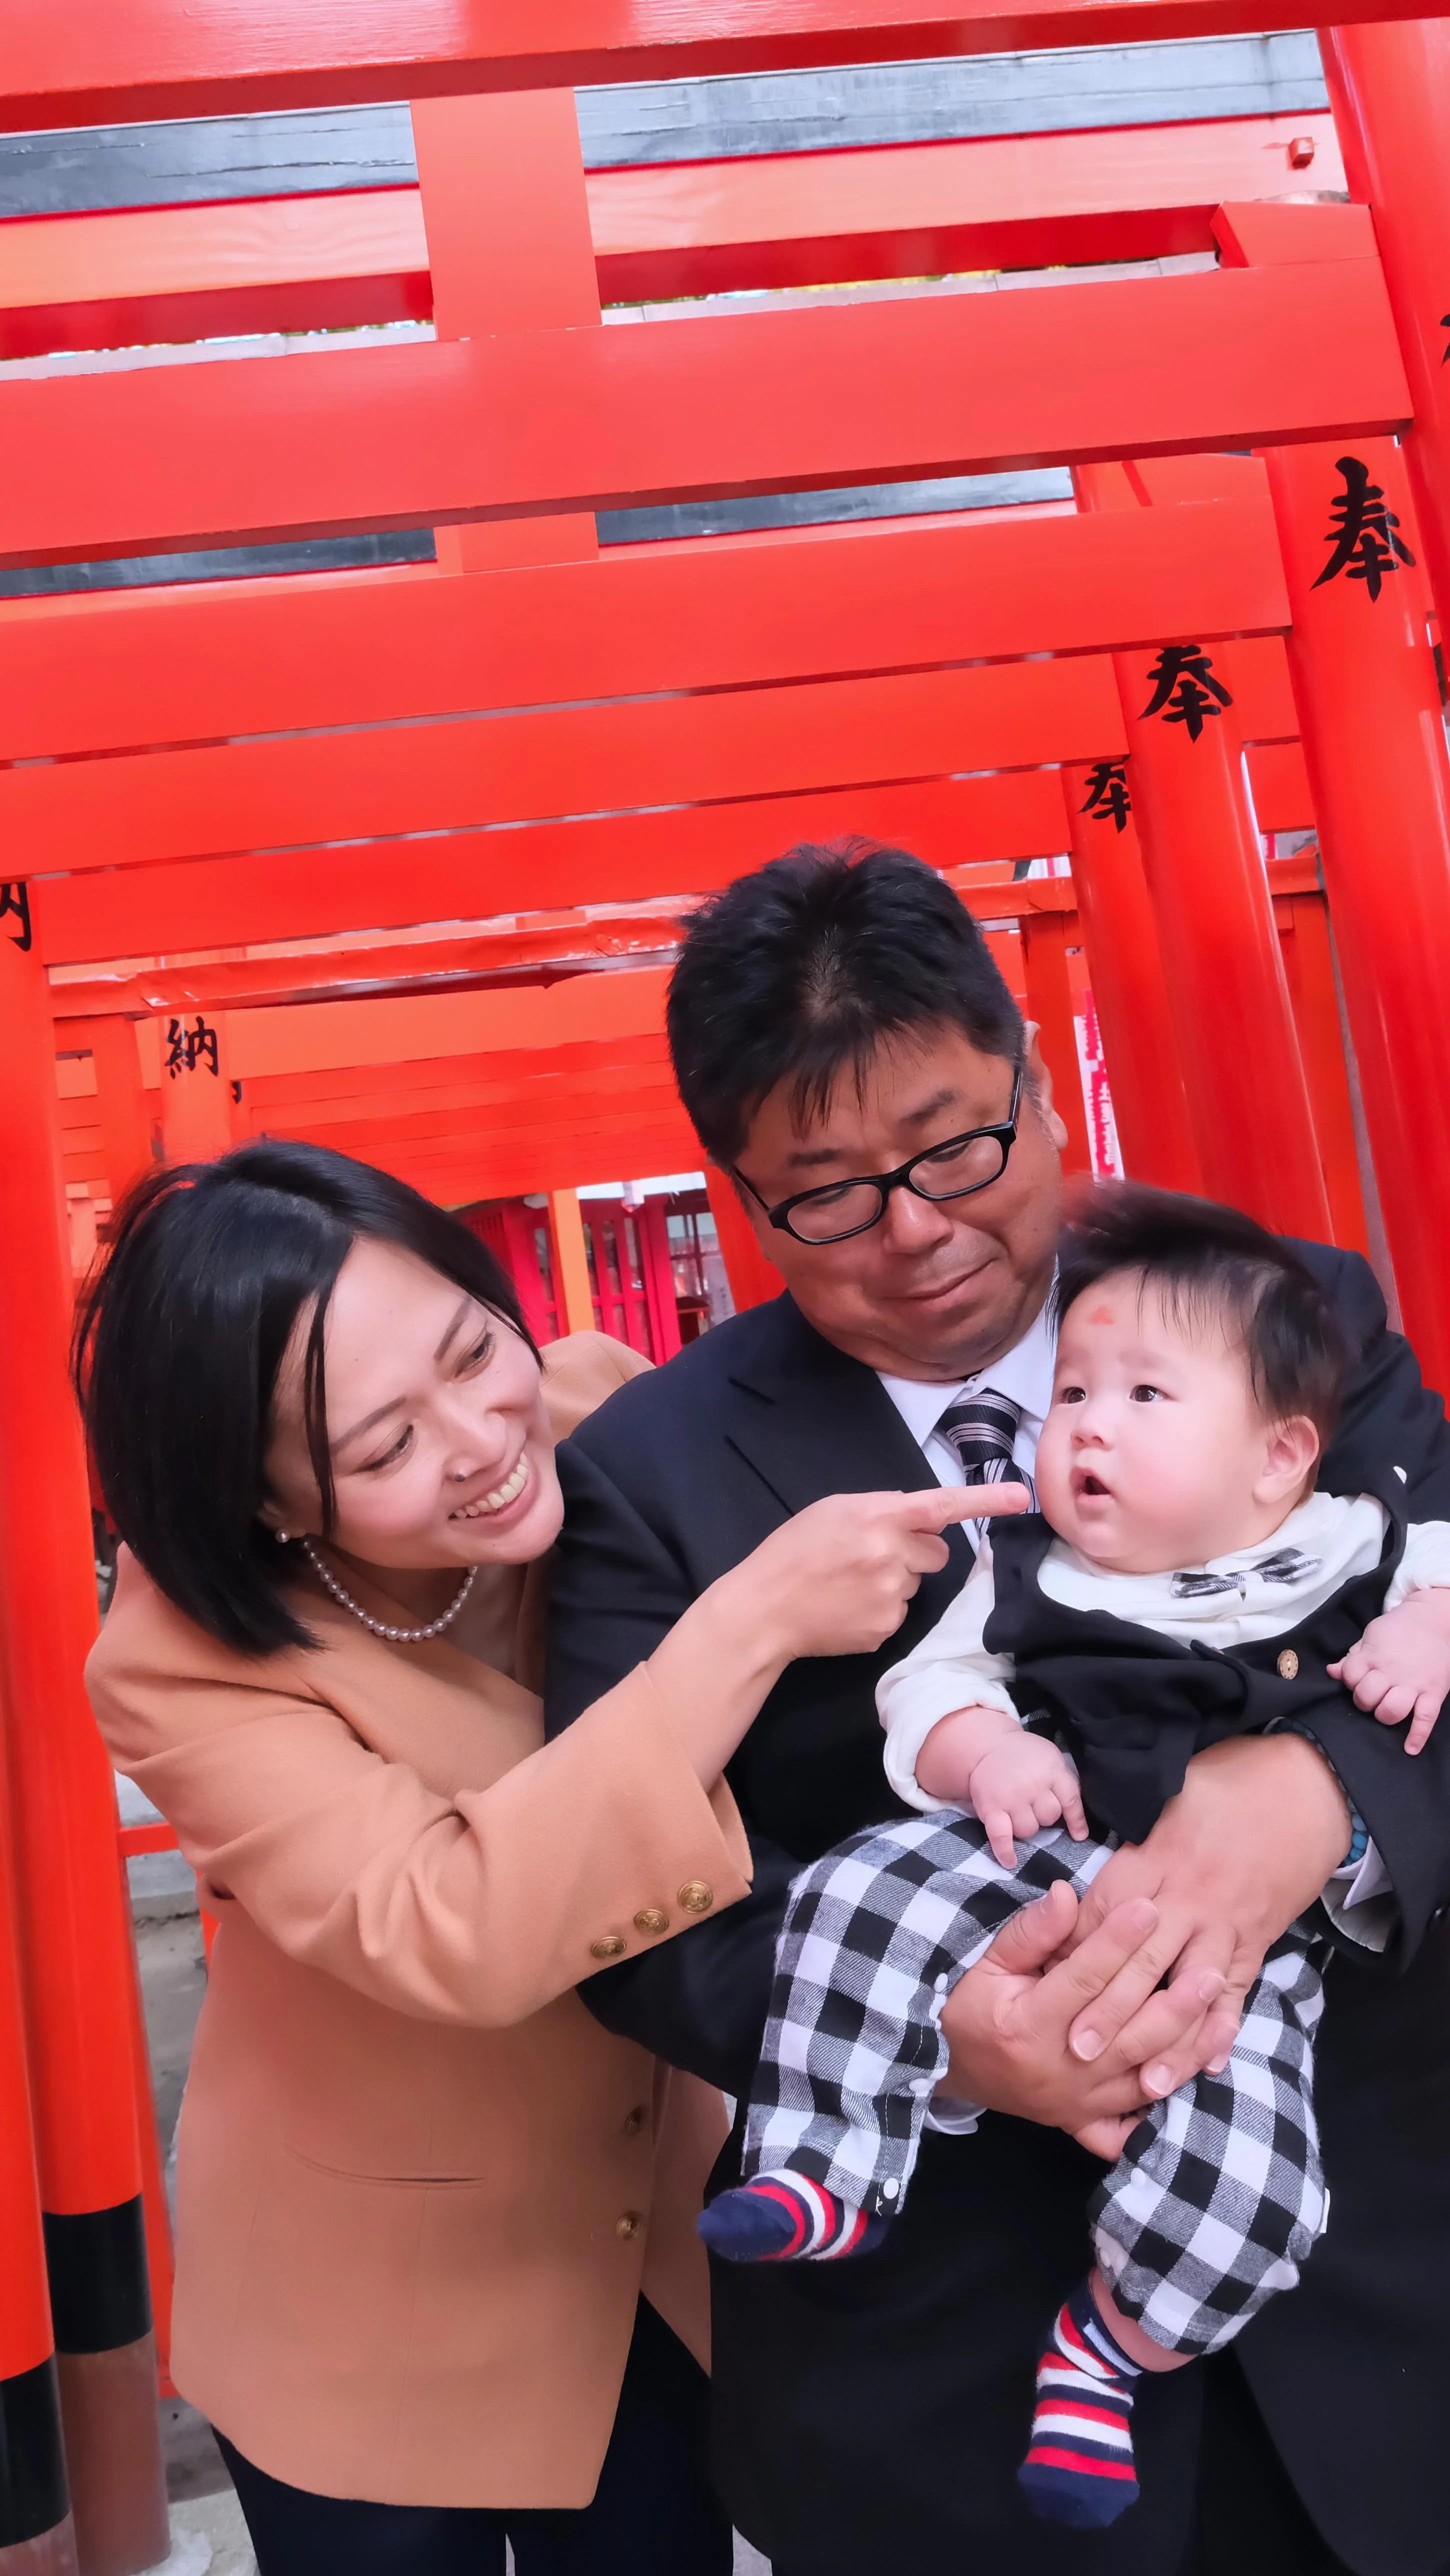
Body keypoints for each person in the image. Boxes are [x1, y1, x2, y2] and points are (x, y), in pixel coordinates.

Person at [544, 842, 1450, 2576]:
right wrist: (941, 2030)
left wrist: (1317, 1803)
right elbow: (630, 1915)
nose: (920, 1231)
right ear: (736, 1189)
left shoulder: (1294, 1314)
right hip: (943, 2381)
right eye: (828, 1193)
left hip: (1379, 2289)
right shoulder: (646, 1481)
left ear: (1030, 1073)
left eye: (957, 1143)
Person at [78, 1138, 998, 2576]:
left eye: (471, 1345)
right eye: (381, 1447)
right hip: (371, 2313)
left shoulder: (605, 1415)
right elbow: (448, 1922)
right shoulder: (179, 1659)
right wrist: (744, 1625)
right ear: (269, 1503)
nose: (480, 1438)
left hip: (654, 2261)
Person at [701, 1188, 1450, 2533]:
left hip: (1250, 1969)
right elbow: (922, 1696)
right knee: (854, 1899)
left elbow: (1444, 1566)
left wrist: (1430, 1632)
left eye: (1143, 1398)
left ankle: (1108, 2344)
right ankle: (825, 2159)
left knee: (1250, 2183)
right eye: (1073, 1395)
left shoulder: (1344, 1535)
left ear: (1278, 1457)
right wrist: (981, 1753)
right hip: (1033, 1882)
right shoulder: (1022, 1568)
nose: (1086, 1423)